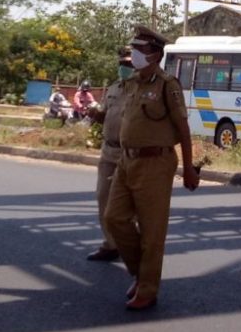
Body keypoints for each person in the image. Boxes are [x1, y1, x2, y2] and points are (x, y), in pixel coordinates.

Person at [104, 25, 200, 310]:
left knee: (152, 230)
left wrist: (189, 168)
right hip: (126, 160)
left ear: (155, 54)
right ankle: (139, 272)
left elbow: (183, 129)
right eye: (133, 49)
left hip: (155, 162)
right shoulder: (131, 84)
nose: (134, 54)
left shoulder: (167, 85)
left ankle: (147, 288)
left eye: (140, 50)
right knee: (114, 218)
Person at [85, 46, 135, 262]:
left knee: (131, 205)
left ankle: (134, 248)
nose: (124, 68)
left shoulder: (141, 90)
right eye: (122, 64)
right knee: (103, 198)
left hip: (131, 154)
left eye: (128, 64)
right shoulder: (113, 89)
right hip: (109, 151)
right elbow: (105, 115)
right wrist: (96, 115)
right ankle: (111, 244)